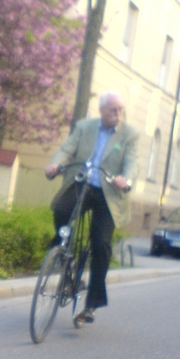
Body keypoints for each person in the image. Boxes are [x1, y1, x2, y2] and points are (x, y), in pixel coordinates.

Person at [44, 92, 139, 325]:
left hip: (109, 193)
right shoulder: (85, 127)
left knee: (100, 243)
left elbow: (132, 162)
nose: (117, 114)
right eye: (112, 110)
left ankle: (92, 303)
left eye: (120, 110)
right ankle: (65, 257)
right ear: (102, 111)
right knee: (62, 210)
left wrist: (126, 180)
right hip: (82, 182)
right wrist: (56, 164)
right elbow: (68, 149)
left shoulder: (130, 135)